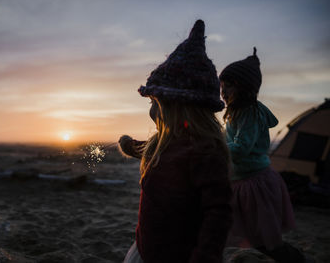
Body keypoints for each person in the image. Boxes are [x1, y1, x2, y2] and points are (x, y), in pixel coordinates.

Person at [121, 19, 233, 263]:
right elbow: (156, 153)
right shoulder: (168, 141)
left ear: (180, 106)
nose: (151, 111)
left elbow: (218, 212)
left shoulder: (205, 152)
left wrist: (205, 256)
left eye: (155, 103)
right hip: (146, 246)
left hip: (178, 254)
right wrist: (130, 146)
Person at [219, 48, 313, 263]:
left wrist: (216, 147)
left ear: (244, 87)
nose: (222, 92)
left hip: (255, 184)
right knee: (233, 229)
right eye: (221, 87)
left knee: (264, 240)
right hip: (241, 181)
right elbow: (228, 140)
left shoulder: (250, 113)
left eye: (228, 86)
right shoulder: (234, 113)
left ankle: (299, 260)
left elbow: (241, 147)